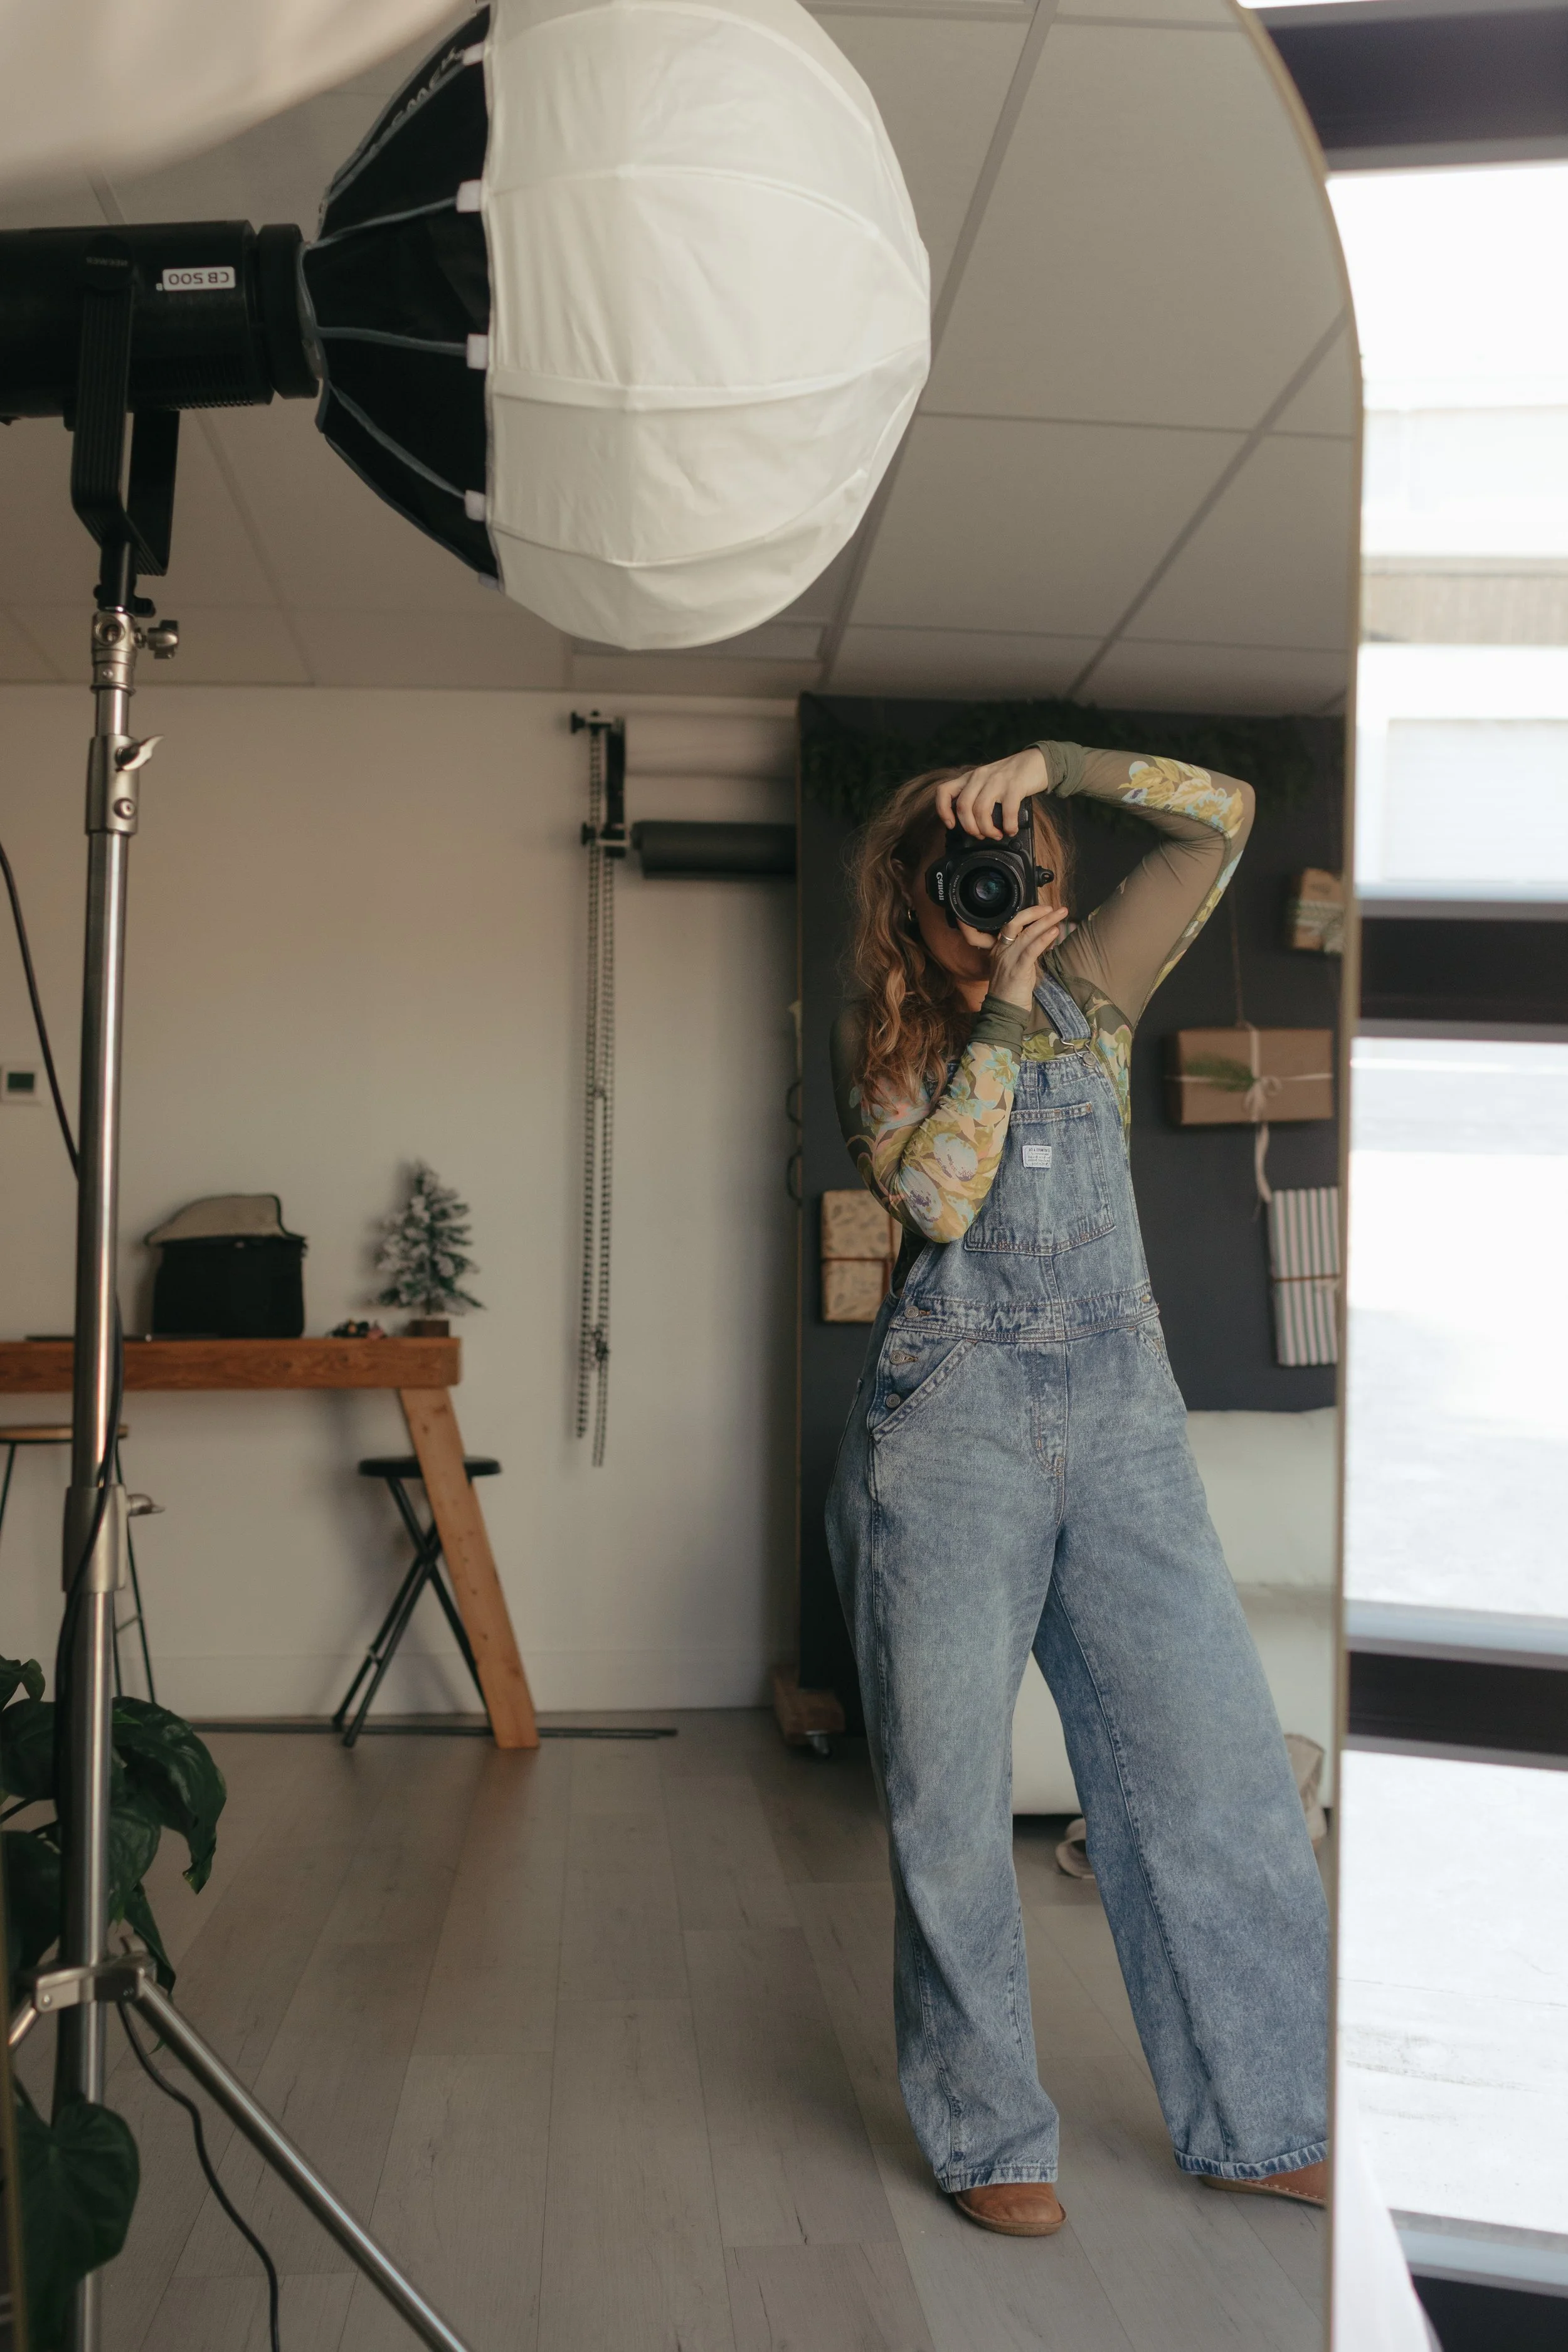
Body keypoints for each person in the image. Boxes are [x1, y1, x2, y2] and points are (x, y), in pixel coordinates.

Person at [826, 739, 1328, 2237]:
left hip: (1121, 1428)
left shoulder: (1096, 998)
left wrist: (1057, 765)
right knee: (949, 1801)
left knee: (1220, 1770)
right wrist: (990, 1007)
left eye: (1014, 867)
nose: (991, 898)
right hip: (949, 1436)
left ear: (1044, 874)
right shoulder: (895, 1042)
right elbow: (933, 1197)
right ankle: (990, 2139)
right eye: (960, 879)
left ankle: (1265, 2117)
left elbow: (1224, 816)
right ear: (912, 904)